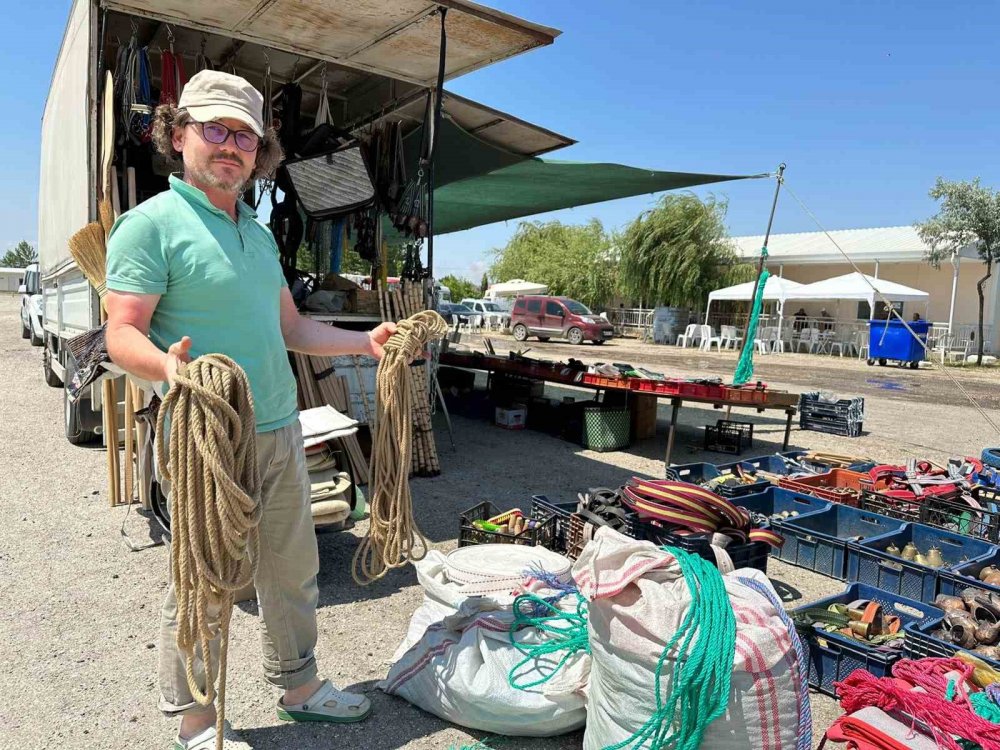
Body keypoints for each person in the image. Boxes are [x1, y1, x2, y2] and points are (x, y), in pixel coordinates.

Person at [104, 71, 396, 750]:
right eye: (214, 129)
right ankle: (198, 721)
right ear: (178, 137)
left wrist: (366, 343)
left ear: (258, 151)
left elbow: (290, 329)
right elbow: (120, 332)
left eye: (244, 135)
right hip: (206, 436)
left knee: (291, 569)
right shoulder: (150, 226)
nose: (230, 145)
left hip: (278, 428)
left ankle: (298, 686)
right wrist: (171, 369)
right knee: (204, 579)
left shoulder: (260, 236)